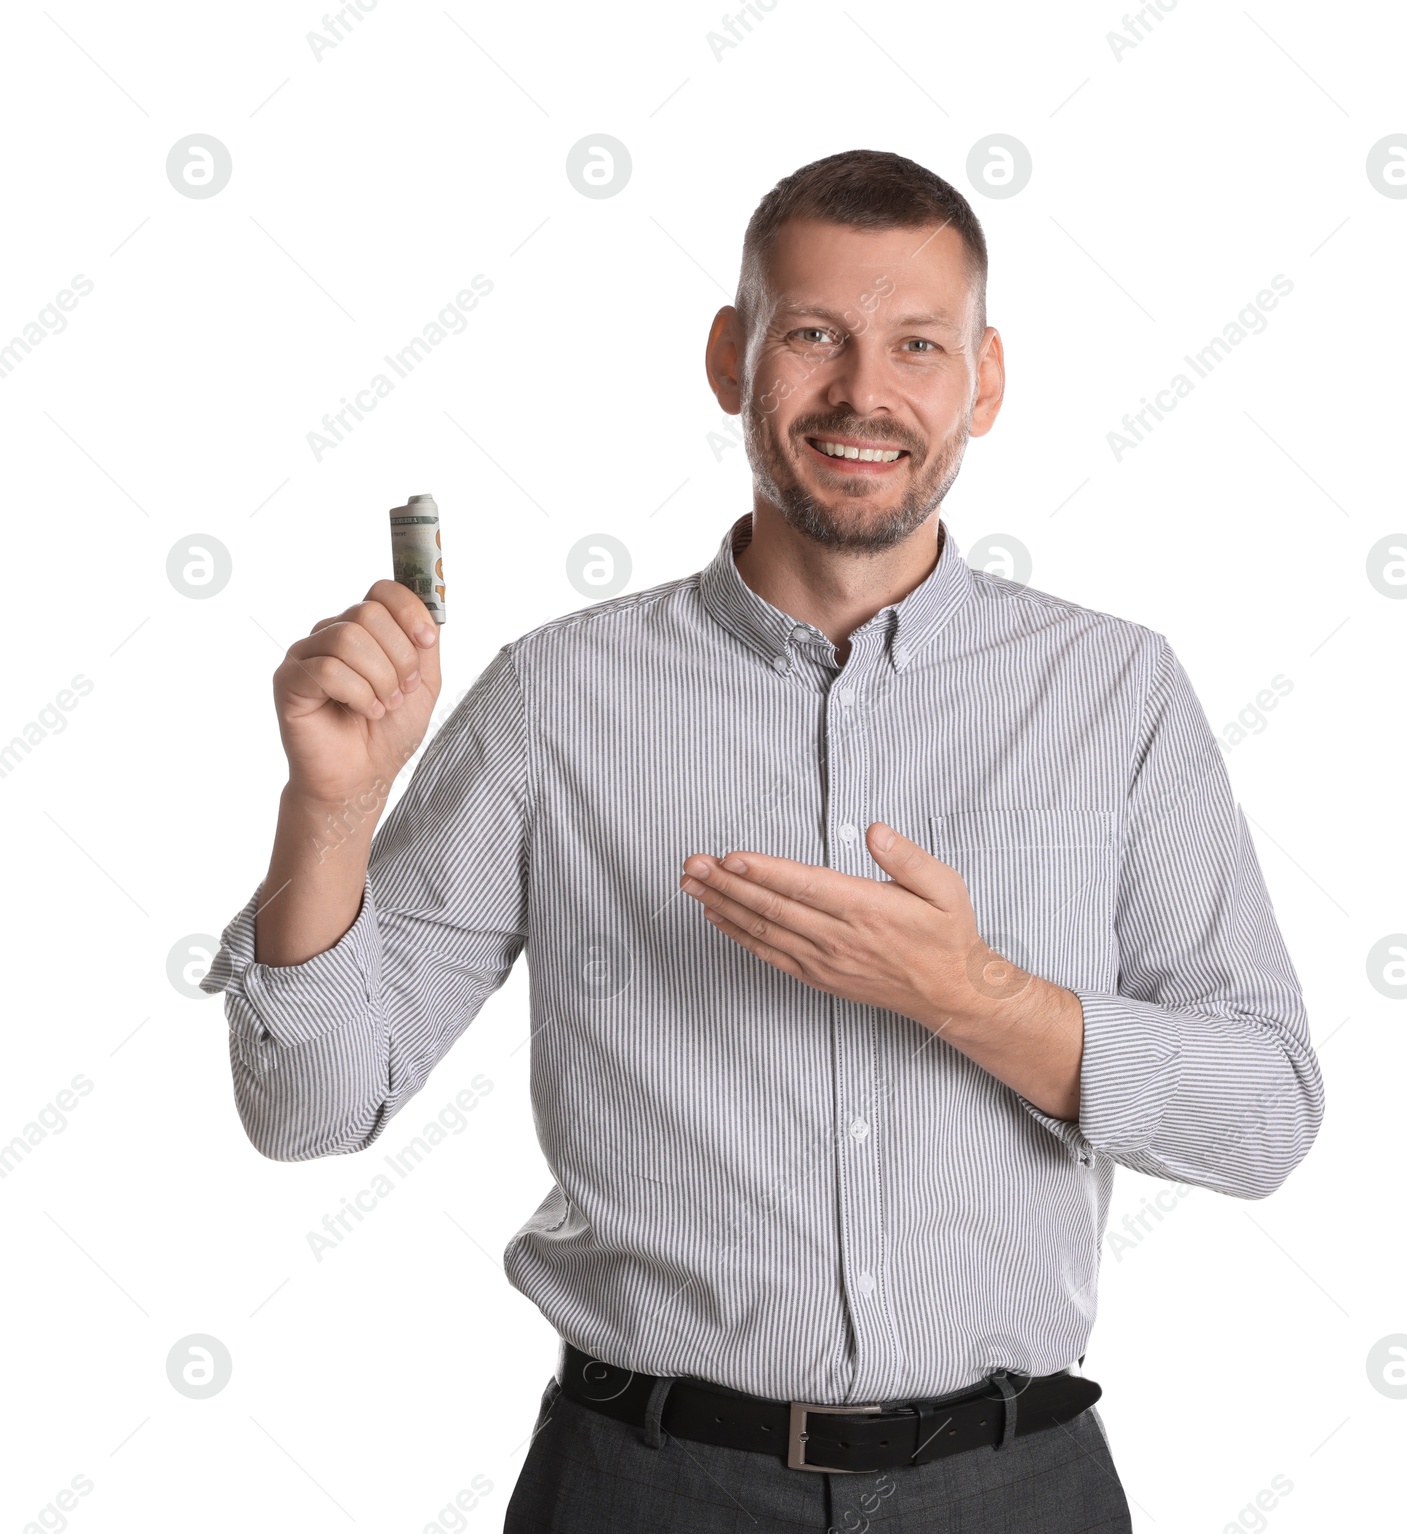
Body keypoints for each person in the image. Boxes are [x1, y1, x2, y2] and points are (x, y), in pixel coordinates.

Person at [201, 148, 1325, 1532]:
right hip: (643, 1486)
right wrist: (327, 811)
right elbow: (312, 1106)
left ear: (984, 380)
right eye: (814, 336)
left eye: (918, 344)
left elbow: (1267, 1108)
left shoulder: (1115, 692)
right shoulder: (557, 696)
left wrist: (974, 997)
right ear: (733, 357)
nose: (865, 392)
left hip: (1016, 1487)